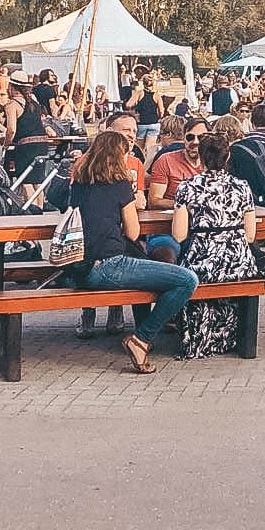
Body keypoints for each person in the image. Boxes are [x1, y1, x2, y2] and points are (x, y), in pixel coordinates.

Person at [70, 130, 198, 373]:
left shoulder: (79, 183)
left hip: (80, 266)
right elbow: (132, 231)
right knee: (186, 279)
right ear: (120, 155)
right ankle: (142, 338)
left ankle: (144, 332)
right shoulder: (119, 185)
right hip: (108, 265)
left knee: (146, 271)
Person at [172, 132, 259, 358]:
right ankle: (229, 336)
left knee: (187, 274)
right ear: (227, 156)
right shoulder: (242, 187)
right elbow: (250, 235)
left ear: (200, 157)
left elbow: (179, 235)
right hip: (237, 260)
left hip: (203, 261)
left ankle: (199, 337)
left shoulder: (188, 187)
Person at [147, 116, 207, 206]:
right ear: (183, 138)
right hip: (173, 217)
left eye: (201, 137)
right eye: (190, 137)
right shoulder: (166, 160)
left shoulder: (216, 162)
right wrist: (188, 205)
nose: (195, 142)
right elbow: (153, 201)